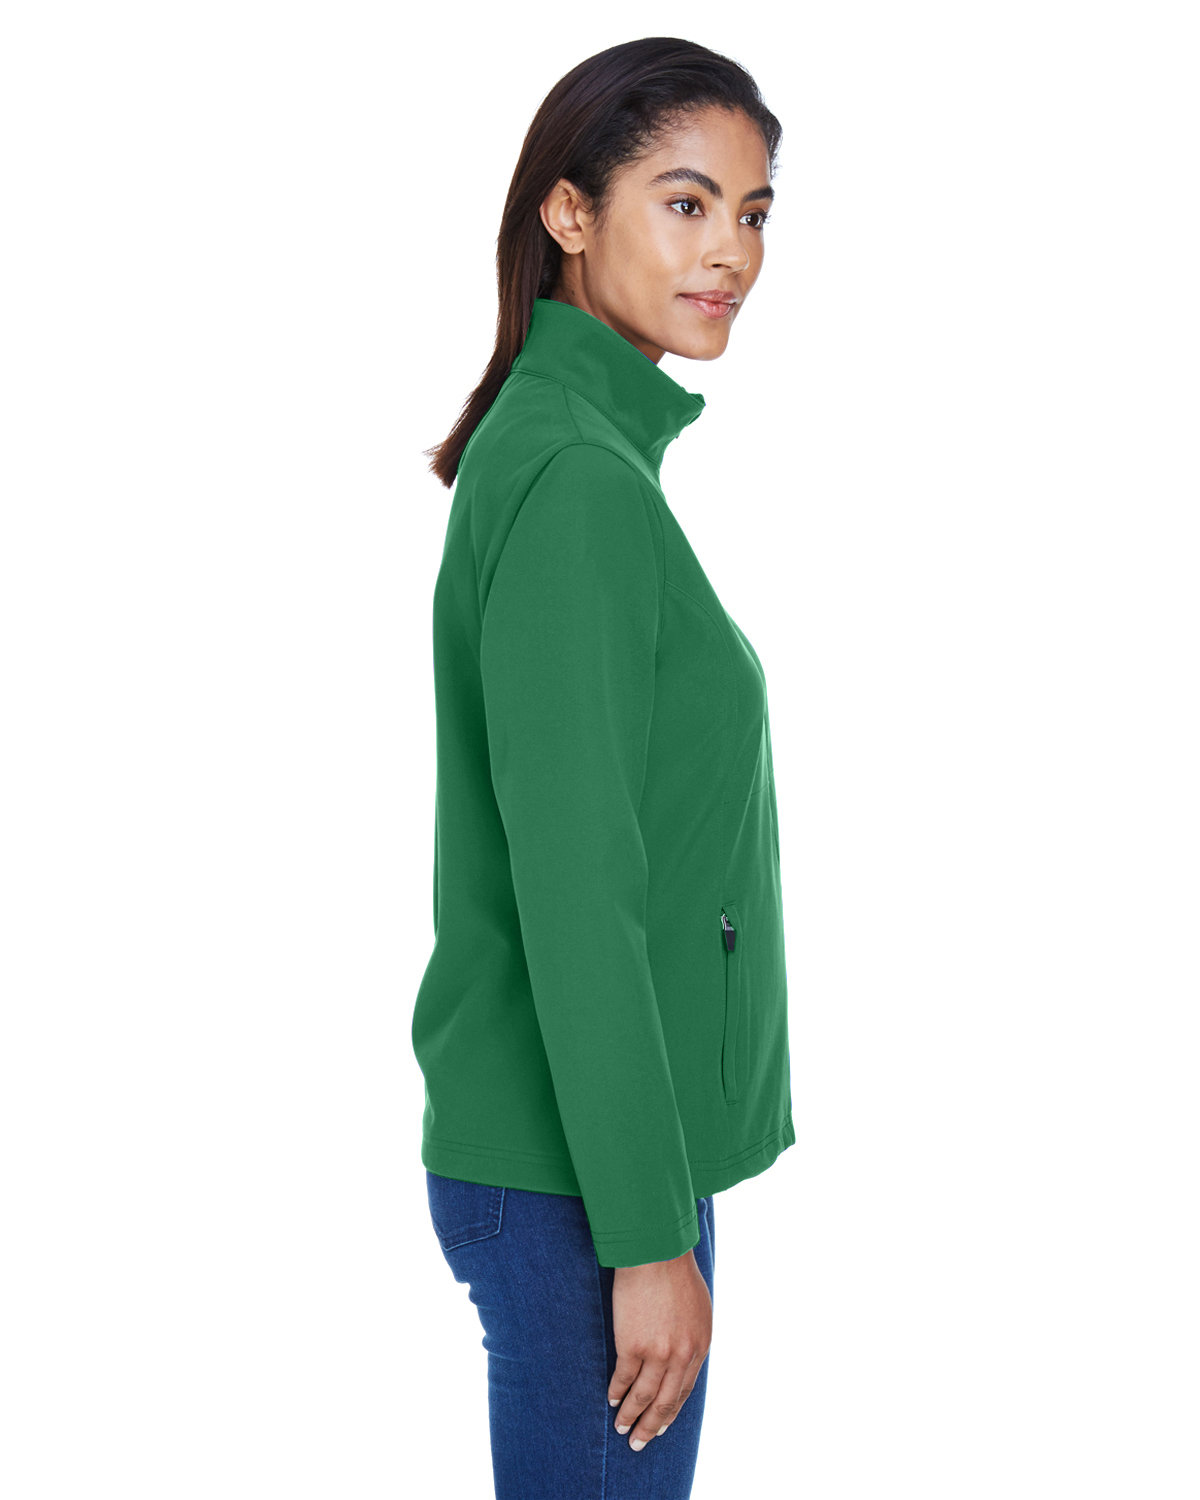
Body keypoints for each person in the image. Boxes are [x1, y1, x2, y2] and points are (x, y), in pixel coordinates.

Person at [411, 36, 794, 1499]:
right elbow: (578, 892)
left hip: (601, 1159)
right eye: (685, 204)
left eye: (752, 213)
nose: (730, 252)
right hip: (582, 1183)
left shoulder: (576, 449)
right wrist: (646, 1237)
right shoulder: (574, 478)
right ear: (569, 214)